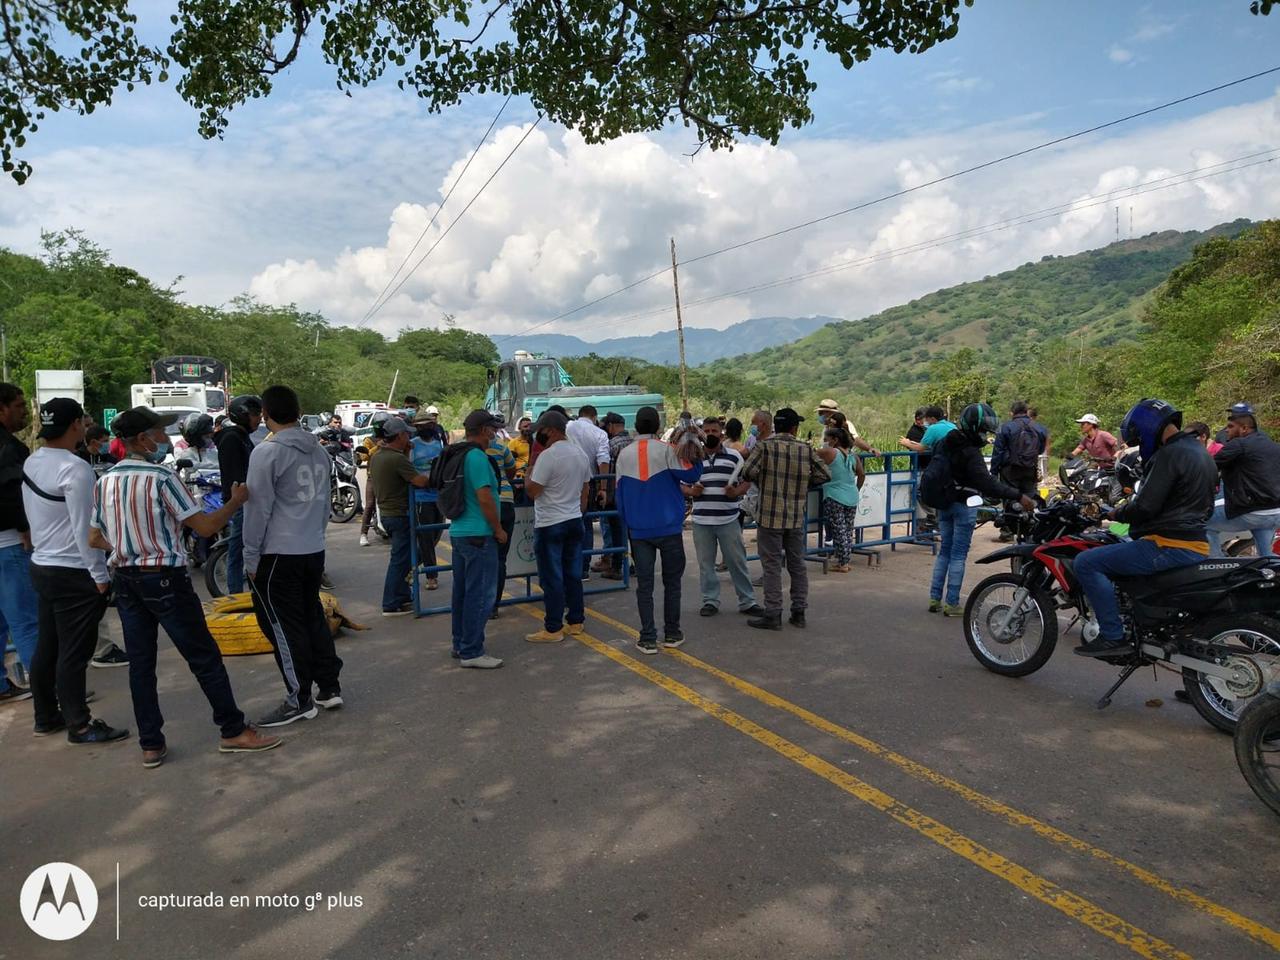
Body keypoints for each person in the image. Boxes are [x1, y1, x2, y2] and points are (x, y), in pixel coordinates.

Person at [92, 406, 280, 762]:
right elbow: (206, 529)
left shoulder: (105, 481)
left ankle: (151, 744)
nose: (165, 439)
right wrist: (236, 501)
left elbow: (93, 537)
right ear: (143, 439)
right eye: (159, 433)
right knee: (204, 657)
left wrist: (129, 545)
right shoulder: (161, 478)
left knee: (142, 665)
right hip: (165, 580)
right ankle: (234, 730)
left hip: (127, 581)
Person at [1073, 399, 1217, 656]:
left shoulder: (1169, 455)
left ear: (1148, 429)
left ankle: (1113, 637)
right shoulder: (1199, 452)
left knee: (1086, 562)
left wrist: (1118, 512)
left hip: (1168, 544)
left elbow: (1146, 506)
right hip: (1196, 542)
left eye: (1139, 438)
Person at [22, 398, 128, 742]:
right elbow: (88, 531)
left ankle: (46, 716)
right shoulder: (75, 467)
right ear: (74, 426)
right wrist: (99, 577)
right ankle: (79, 725)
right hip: (73, 571)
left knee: (48, 647)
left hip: (42, 565)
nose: (85, 426)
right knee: (74, 653)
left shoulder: (33, 461)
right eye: (83, 421)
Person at [242, 386, 343, 727]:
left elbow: (257, 510)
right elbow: (325, 503)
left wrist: (250, 557)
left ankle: (298, 699)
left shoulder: (266, 453)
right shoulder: (318, 451)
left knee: (283, 628)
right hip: (311, 548)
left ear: (266, 413)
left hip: (278, 553)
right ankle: (329, 686)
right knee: (311, 616)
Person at [920, 403, 1036, 616]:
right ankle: (952, 603)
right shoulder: (970, 452)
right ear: (974, 428)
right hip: (964, 504)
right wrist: (1018, 495)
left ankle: (935, 598)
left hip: (944, 503)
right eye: (983, 430)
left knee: (945, 551)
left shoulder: (945, 442)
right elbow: (987, 483)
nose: (984, 435)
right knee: (957, 554)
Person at [615, 406, 702, 654]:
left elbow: (619, 495)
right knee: (672, 582)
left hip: (639, 530)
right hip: (669, 527)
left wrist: (629, 522)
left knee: (645, 585)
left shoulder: (624, 455)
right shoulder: (668, 451)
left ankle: (647, 637)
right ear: (657, 428)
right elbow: (693, 473)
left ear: (636, 426)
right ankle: (672, 633)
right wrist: (691, 442)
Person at [740, 407, 830, 630]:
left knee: (771, 566)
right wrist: (802, 484)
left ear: (775, 426)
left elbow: (747, 472)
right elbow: (824, 474)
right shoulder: (805, 449)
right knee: (797, 565)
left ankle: (773, 614)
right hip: (795, 516)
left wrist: (766, 479)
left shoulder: (764, 447)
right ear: (794, 427)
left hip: (769, 517)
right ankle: (798, 612)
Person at [447, 410, 508, 668]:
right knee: (481, 593)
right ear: (484, 431)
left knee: (462, 592)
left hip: (460, 531)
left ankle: (460, 643)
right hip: (480, 534)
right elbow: (484, 496)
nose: (495, 433)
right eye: (493, 429)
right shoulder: (478, 458)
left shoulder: (458, 455)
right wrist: (498, 528)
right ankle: (472, 651)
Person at [684, 417, 762, 617]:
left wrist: (736, 492)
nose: (711, 434)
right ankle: (710, 600)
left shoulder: (735, 457)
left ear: (722, 433)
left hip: (728, 519)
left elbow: (747, 480)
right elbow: (681, 484)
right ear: (702, 433)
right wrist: (692, 491)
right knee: (706, 564)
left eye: (714, 431)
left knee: (737, 562)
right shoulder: (693, 459)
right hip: (702, 520)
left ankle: (747, 601)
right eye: (707, 431)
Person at [524, 411, 591, 643]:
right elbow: (586, 489)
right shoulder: (580, 454)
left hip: (550, 523)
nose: (537, 436)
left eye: (540, 431)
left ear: (551, 430)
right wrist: (578, 511)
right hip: (574, 520)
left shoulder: (548, 456)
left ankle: (553, 628)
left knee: (552, 577)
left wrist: (528, 473)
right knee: (573, 574)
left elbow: (533, 491)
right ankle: (576, 621)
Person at [369, 416, 431, 615]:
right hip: (398, 514)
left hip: (387, 513)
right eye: (406, 434)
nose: (409, 438)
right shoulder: (396, 459)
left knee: (406, 556)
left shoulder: (379, 455)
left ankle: (402, 595)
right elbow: (420, 481)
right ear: (400, 436)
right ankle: (391, 601)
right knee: (402, 559)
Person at [0, 383, 38, 705]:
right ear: (1, 410)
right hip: (9, 544)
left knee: (2, 623)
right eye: (18, 405)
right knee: (26, 621)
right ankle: (48, 695)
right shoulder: (10, 449)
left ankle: (1, 686)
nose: (24, 411)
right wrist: (25, 527)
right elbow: (12, 495)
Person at [1205, 402, 1280, 558]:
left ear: (1244, 428)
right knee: (1267, 556)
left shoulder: (1239, 444)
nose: (1227, 430)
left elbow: (1206, 466)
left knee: (1200, 521)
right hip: (1275, 512)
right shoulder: (1271, 443)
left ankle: (1216, 569)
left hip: (1252, 511)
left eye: (1231, 426)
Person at [215, 394, 262, 594]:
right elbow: (238, 477)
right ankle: (235, 595)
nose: (259, 418)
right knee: (237, 552)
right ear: (243, 415)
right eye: (255, 414)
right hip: (241, 504)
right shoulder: (231, 438)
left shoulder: (242, 437)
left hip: (247, 502)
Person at [990, 400, 1046, 541]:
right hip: (1030, 469)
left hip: (1010, 469)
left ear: (1012, 413)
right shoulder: (1039, 428)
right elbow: (1040, 449)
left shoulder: (1006, 427)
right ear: (1026, 412)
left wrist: (994, 471)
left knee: (1009, 498)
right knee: (1030, 499)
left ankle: (1007, 532)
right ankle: (1030, 530)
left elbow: (998, 451)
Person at [566, 405, 611, 579]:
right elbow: (603, 461)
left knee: (566, 522)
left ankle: (568, 566)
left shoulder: (568, 427)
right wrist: (603, 488)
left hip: (567, 482)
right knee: (585, 525)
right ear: (594, 417)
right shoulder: (599, 433)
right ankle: (583, 569)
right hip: (589, 484)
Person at [818, 424, 865, 572]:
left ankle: (843, 563)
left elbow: (810, 453)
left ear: (835, 440)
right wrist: (855, 489)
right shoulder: (853, 456)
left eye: (827, 439)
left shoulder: (830, 452)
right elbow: (862, 474)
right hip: (851, 496)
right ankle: (844, 560)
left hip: (834, 496)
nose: (825, 441)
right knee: (847, 529)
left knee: (838, 529)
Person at [484, 418, 519, 615]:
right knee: (500, 558)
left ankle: (484, 603)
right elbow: (512, 469)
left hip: (487, 504)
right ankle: (494, 605)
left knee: (486, 556)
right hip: (506, 502)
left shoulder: (469, 450)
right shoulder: (501, 447)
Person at [410, 410, 447, 590]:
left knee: (435, 535)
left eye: (430, 424)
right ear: (418, 427)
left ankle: (410, 564)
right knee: (425, 536)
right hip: (420, 497)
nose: (429, 427)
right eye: (424, 425)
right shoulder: (412, 445)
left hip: (437, 495)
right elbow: (409, 470)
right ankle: (431, 575)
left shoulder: (439, 443)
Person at [600, 412, 632, 578]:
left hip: (616, 493)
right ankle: (636, 565)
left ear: (611, 426)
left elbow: (607, 468)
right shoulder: (633, 442)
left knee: (617, 531)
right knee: (632, 531)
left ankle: (617, 566)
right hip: (633, 493)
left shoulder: (611, 445)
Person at [508, 415, 533, 481]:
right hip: (519, 474)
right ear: (519, 428)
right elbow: (509, 461)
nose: (528, 428)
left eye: (530, 426)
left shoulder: (535, 442)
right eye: (525, 426)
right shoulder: (513, 443)